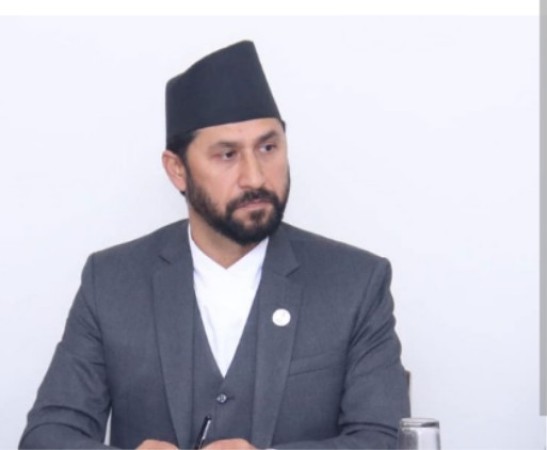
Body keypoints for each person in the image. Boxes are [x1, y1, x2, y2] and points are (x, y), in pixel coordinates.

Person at [20, 40, 410, 450]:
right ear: (177, 170)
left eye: (268, 148)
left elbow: (384, 438)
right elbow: (47, 436)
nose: (255, 177)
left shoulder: (357, 283)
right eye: (227, 155)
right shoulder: (112, 281)